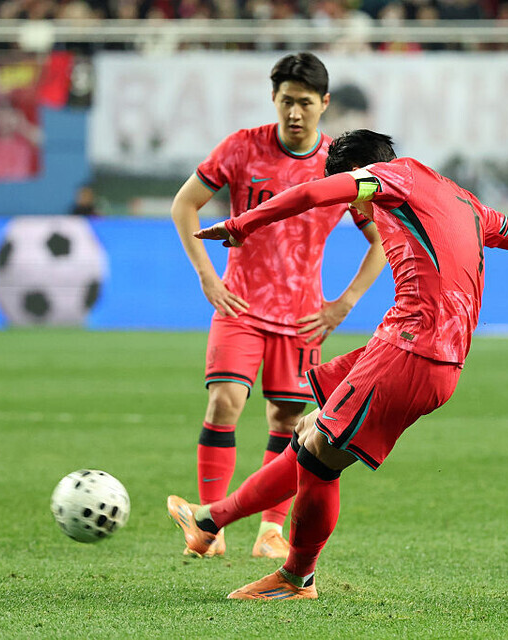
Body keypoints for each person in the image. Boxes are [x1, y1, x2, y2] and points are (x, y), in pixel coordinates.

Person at [169, 129, 508, 599]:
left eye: (350, 198)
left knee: (318, 458)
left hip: (411, 352)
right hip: (432, 354)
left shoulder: (378, 180)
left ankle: (295, 579)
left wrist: (239, 225)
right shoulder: (460, 198)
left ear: (354, 174)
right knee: (311, 431)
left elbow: (313, 192)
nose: (353, 210)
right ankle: (209, 520)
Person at [169, 54, 386, 559]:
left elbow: (380, 238)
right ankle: (210, 525)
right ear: (274, 99)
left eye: (305, 103)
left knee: (289, 421)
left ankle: (269, 531)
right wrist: (207, 274)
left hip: (303, 315)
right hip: (239, 303)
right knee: (225, 401)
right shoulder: (242, 148)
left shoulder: (339, 165)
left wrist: (345, 303)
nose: (294, 112)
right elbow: (185, 204)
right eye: (286, 101)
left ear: (324, 104)